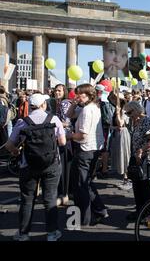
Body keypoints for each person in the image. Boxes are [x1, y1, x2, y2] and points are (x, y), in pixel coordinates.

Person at [6, 93, 66, 241]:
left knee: (27, 199)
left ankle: (23, 233)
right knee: (50, 198)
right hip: (51, 163)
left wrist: (16, 151)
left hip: (28, 165)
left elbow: (9, 145)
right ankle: (52, 233)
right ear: (44, 105)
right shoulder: (54, 119)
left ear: (31, 106)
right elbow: (63, 142)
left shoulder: (23, 122)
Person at [68, 84, 108, 227]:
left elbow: (82, 136)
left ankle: (83, 219)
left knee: (80, 185)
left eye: (80, 95)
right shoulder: (91, 107)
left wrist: (69, 136)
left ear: (89, 95)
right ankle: (100, 210)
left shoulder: (87, 110)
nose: (77, 97)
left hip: (85, 150)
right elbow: (69, 115)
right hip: (93, 149)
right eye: (76, 94)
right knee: (87, 183)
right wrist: (74, 103)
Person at [124, 101, 150, 221]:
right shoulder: (134, 121)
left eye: (130, 112)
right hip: (137, 157)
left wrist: (141, 150)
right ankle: (140, 211)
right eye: (127, 113)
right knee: (137, 186)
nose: (129, 115)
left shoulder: (146, 121)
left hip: (147, 158)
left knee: (146, 187)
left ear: (136, 110)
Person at [53, 84, 73, 206]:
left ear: (64, 91)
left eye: (59, 90)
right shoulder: (58, 102)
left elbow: (67, 121)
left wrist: (55, 122)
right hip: (62, 136)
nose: (56, 92)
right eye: (55, 90)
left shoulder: (65, 103)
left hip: (66, 138)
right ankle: (65, 192)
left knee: (64, 166)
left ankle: (64, 193)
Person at [108, 91, 131, 189]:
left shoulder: (124, 110)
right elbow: (112, 125)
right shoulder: (116, 109)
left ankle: (127, 179)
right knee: (119, 156)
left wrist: (118, 113)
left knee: (124, 155)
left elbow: (121, 123)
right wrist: (114, 128)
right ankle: (124, 178)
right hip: (117, 134)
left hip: (123, 134)